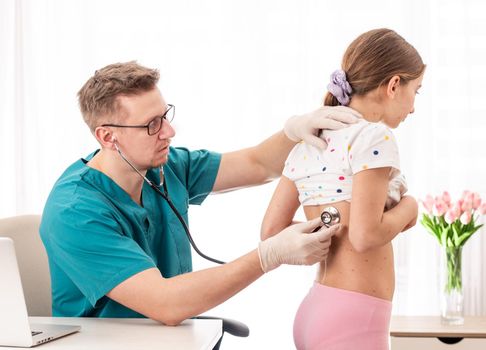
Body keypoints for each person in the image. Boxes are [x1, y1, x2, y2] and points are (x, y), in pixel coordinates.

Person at [39, 61, 359, 327]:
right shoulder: (75, 212)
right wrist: (267, 256)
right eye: (152, 124)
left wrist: (295, 130)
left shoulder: (164, 166)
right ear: (107, 137)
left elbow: (257, 164)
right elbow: (165, 304)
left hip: (171, 339)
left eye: (165, 116)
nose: (169, 131)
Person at [261, 28, 425, 349]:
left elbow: (272, 231)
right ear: (394, 85)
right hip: (355, 318)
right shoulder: (373, 137)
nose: (413, 107)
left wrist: (330, 228)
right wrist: (410, 209)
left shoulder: (309, 142)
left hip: (316, 310)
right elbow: (364, 237)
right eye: (416, 91)